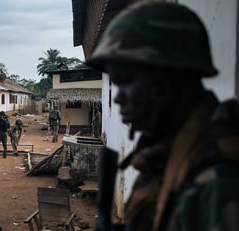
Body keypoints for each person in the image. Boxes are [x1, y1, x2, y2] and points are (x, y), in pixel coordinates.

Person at [86, 1, 239, 231]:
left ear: (167, 79)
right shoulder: (166, 152)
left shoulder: (220, 179)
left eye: (126, 81)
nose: (117, 98)